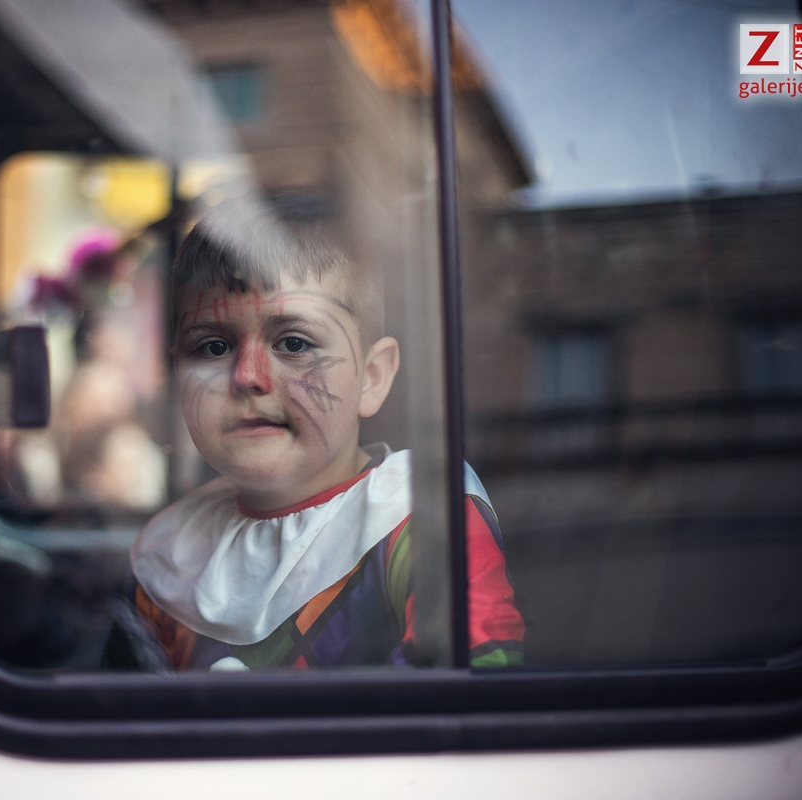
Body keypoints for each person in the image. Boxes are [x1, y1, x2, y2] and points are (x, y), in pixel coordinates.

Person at [108, 213, 524, 671]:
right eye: (213, 347)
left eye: (294, 343)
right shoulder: (166, 557)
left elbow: (469, 686)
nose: (247, 376)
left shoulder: (419, 515)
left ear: (372, 377)